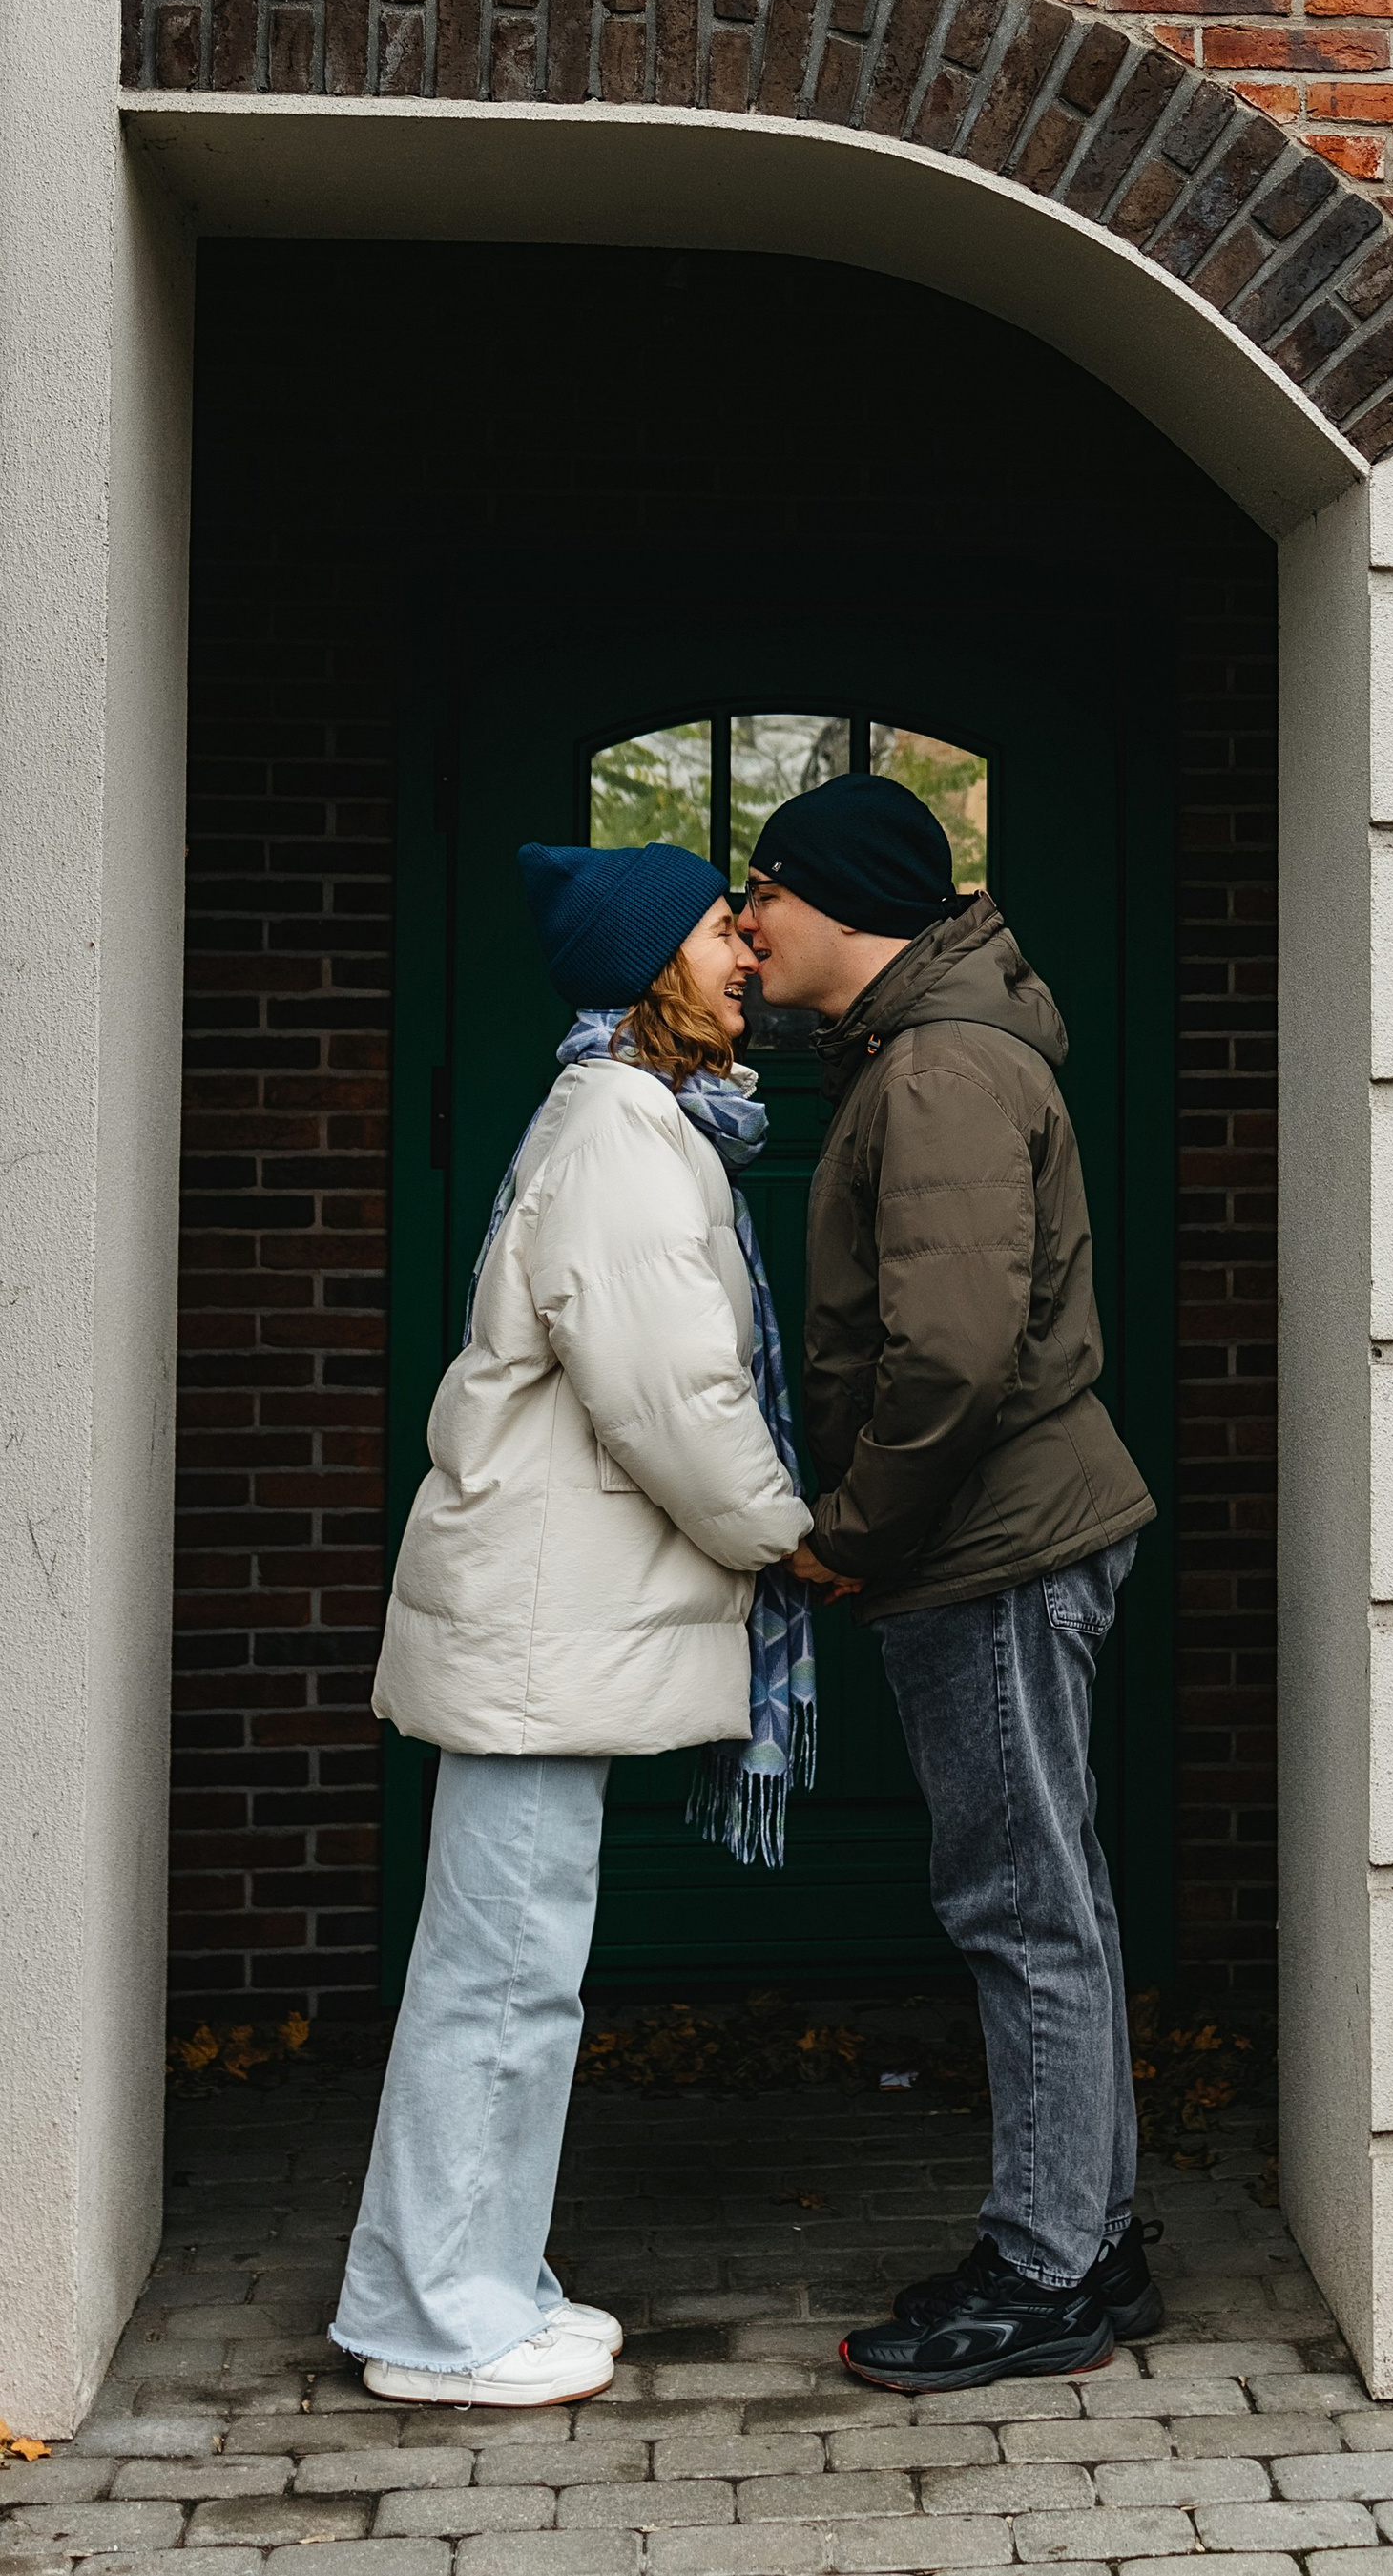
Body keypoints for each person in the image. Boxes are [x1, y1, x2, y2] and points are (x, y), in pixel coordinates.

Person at [333, 841, 817, 2410]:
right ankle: (435, 2317)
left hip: (546, 1627)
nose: (743, 948)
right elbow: (668, 1397)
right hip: (542, 1634)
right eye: (712, 928)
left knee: (515, 1965)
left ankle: (483, 2274)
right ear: (644, 962)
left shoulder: (621, 1114)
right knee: (501, 1972)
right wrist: (785, 1537)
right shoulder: (622, 1127)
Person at [738, 772, 1160, 2391]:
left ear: (844, 899)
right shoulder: (935, 1052)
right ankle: (1092, 2239)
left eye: (766, 888)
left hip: (988, 1547)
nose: (750, 919)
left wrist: (851, 1529)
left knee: (1021, 1901)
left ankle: (1050, 2266)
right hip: (1002, 1539)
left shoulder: (938, 1070)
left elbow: (953, 1354)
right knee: (1056, 1891)